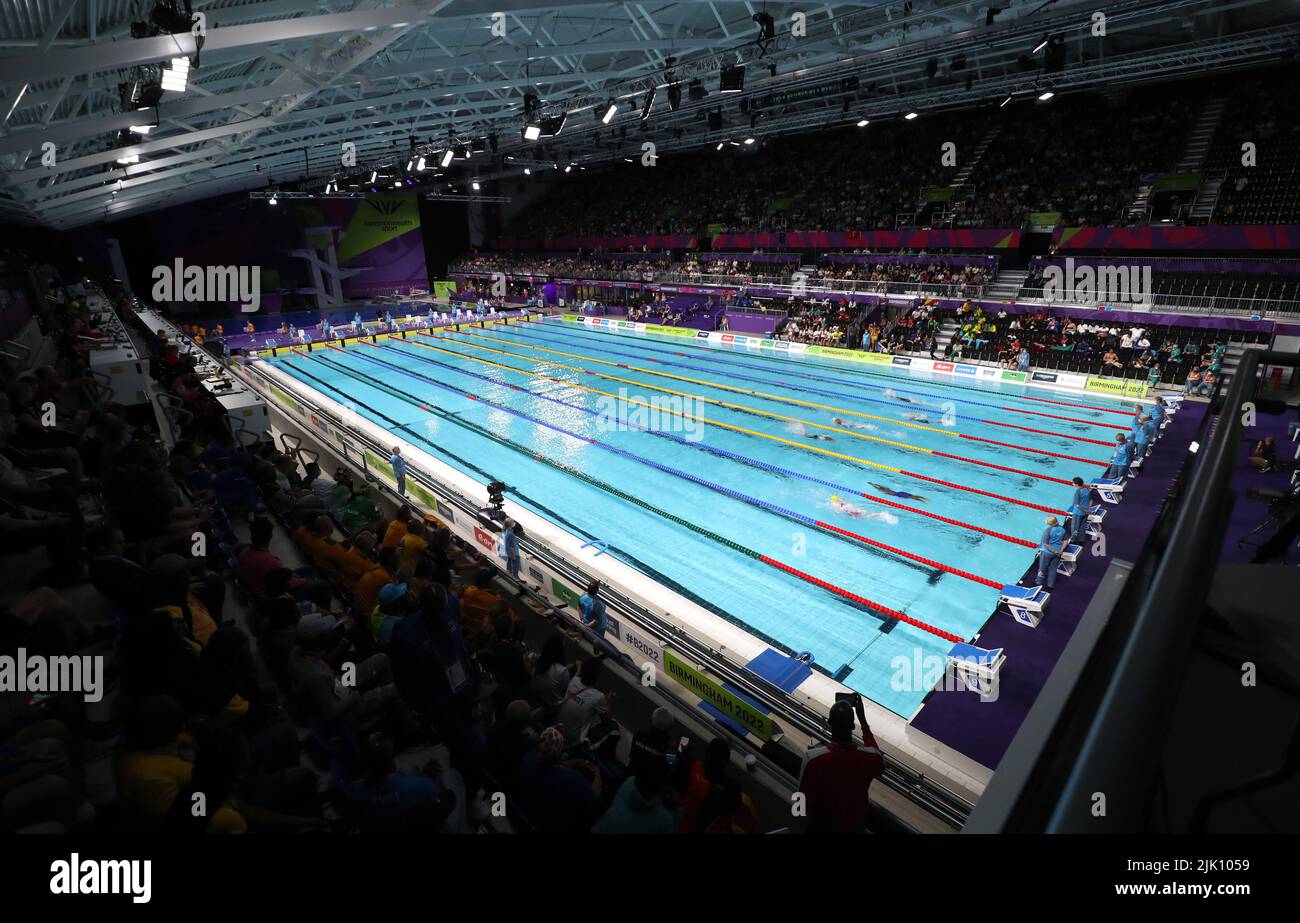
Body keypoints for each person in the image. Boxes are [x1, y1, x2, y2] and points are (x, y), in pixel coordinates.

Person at [797, 696, 883, 835]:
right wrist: (863, 722)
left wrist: (799, 821)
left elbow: (800, 800)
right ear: (853, 726)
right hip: (854, 827)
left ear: (829, 723)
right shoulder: (869, 758)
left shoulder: (812, 759)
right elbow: (879, 760)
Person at [555, 656, 612, 750]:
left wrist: (579, 666)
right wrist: (610, 702)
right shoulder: (599, 696)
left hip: (557, 730)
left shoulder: (573, 681)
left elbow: (577, 674)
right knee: (612, 726)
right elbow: (607, 720)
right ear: (597, 677)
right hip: (574, 742)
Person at [1035, 516, 1069, 590]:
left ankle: (1038, 584)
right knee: (1053, 569)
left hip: (1048, 553)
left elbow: (1045, 543)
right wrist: (1061, 551)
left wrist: (1054, 551)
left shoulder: (1048, 530)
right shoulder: (1062, 529)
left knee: (1042, 568)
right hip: (1058, 553)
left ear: (1049, 523)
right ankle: (1050, 586)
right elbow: (1066, 541)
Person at [1066, 477, 1092, 544]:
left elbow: (1077, 505)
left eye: (1073, 483)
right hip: (1085, 513)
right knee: (1082, 527)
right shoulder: (1086, 489)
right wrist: (1088, 509)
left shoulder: (1078, 491)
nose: (1072, 484)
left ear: (1077, 484)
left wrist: (1085, 510)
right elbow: (1091, 500)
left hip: (1078, 513)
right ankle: (1081, 539)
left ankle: (1073, 540)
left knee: (1075, 528)